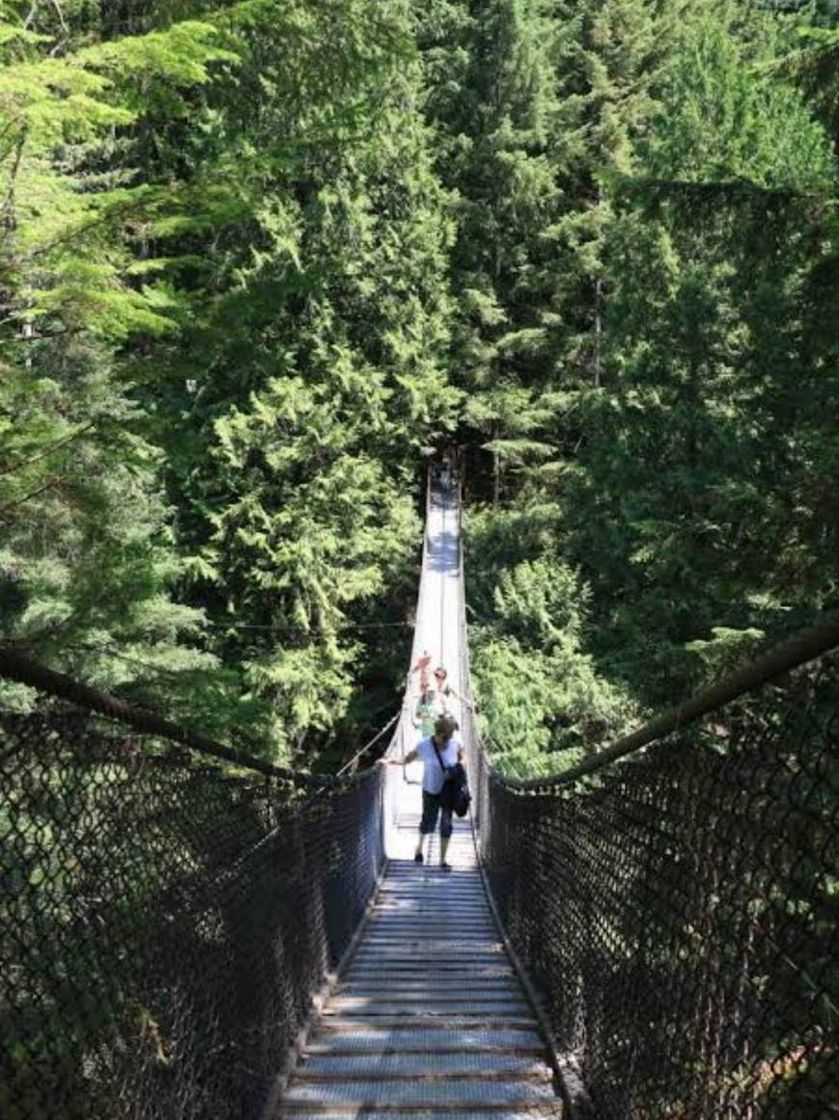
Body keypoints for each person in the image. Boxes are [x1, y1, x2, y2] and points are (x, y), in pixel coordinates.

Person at [387, 714, 463, 871]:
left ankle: (442, 860)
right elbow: (407, 759)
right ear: (438, 734)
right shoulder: (424, 745)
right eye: (445, 738)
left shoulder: (456, 744)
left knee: (446, 825)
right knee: (428, 822)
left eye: (449, 738)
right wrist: (390, 761)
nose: (447, 741)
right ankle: (419, 848)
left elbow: (464, 758)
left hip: (449, 791)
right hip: (431, 790)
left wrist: (456, 768)